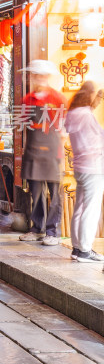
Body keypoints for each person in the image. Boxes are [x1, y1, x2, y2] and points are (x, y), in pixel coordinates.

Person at [19, 60, 67, 246]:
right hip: (33, 152)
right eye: (34, 75)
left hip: (52, 153)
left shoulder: (58, 99)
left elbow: (64, 129)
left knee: (55, 194)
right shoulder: (27, 100)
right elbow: (22, 126)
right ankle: (36, 228)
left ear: (47, 77)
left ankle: (53, 231)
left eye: (41, 75)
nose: (37, 78)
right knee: (36, 192)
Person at [65, 82, 104, 262]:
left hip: (80, 167)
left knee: (79, 208)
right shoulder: (86, 116)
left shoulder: (72, 114)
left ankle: (77, 248)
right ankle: (85, 250)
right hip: (93, 166)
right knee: (91, 208)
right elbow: (98, 138)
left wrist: (98, 99)